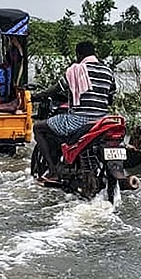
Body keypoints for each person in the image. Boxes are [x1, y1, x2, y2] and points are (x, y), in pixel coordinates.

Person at [32, 41, 116, 182]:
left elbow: (55, 89)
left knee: (38, 128)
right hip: (102, 122)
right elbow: (110, 97)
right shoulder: (108, 71)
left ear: (79, 54)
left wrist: (37, 96)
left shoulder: (75, 70)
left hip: (79, 121)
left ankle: (53, 171)